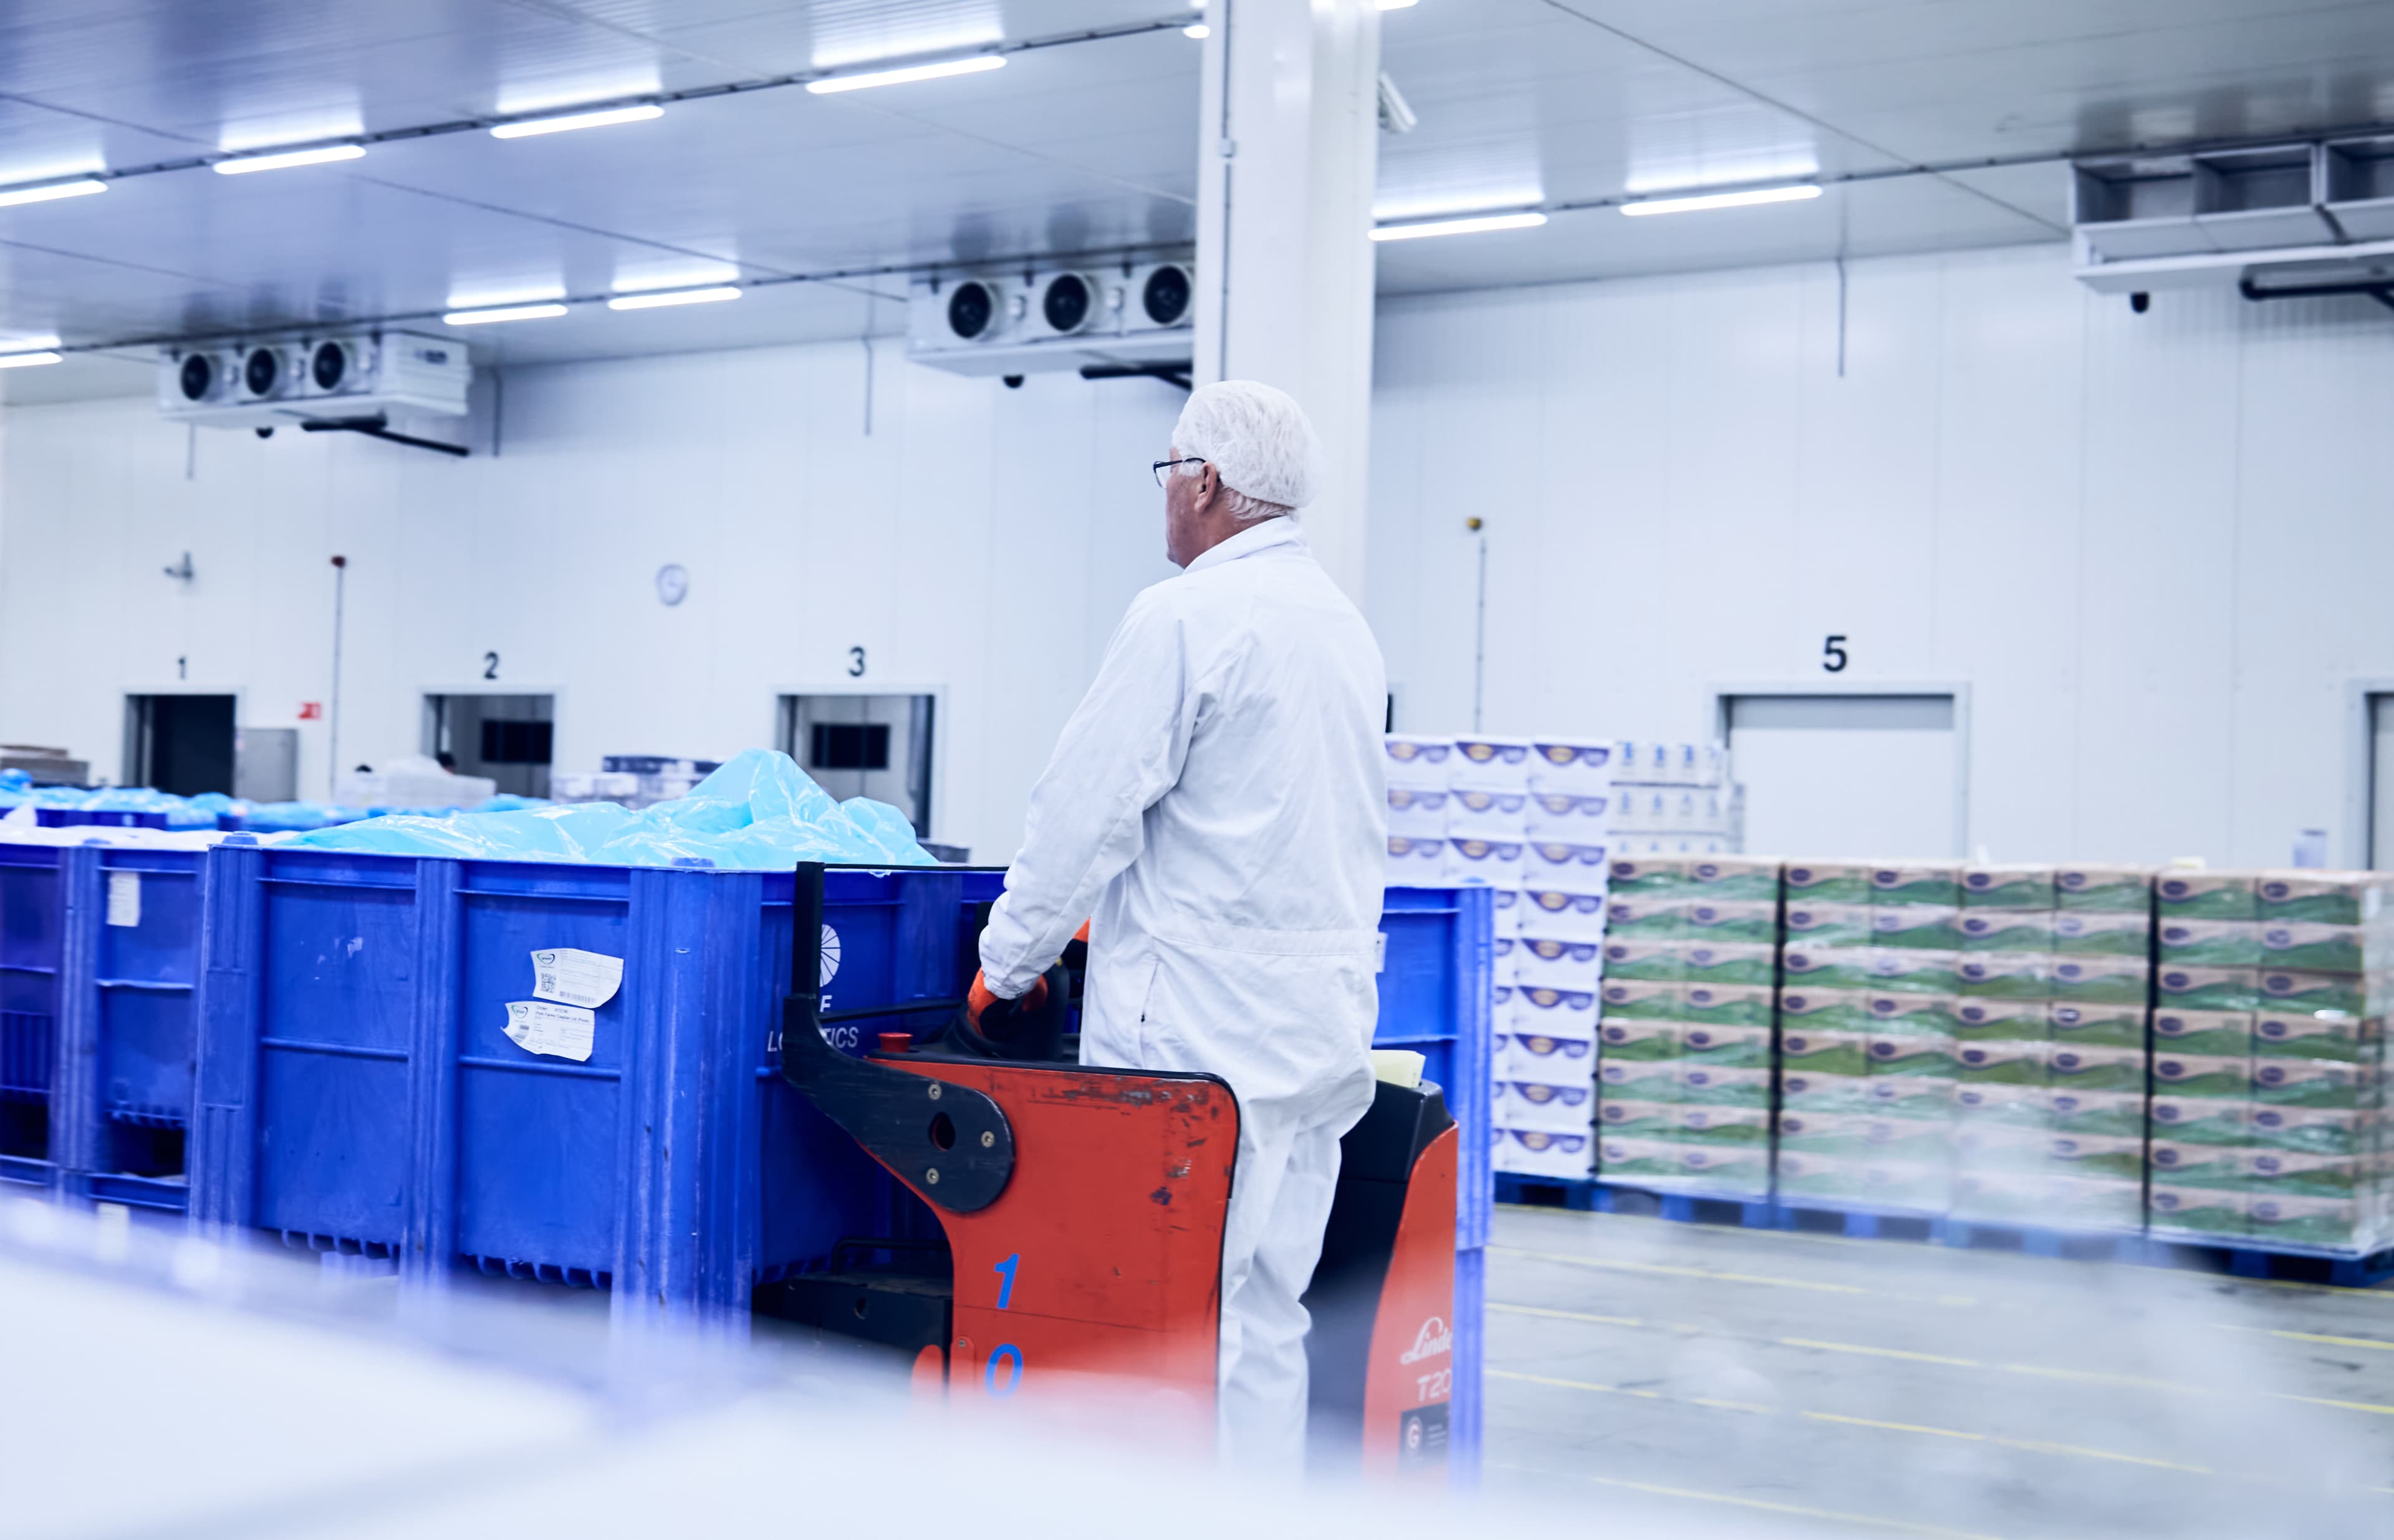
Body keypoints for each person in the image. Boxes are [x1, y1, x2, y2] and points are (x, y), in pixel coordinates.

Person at [970, 380, 1388, 1466]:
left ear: (1206, 483)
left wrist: (1006, 966)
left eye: (1169, 473)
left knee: (1167, 1317)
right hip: (1317, 1034)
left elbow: (1084, 812)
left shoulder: (1186, 615)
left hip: (1200, 1043)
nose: (1165, 497)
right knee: (1264, 1317)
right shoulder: (1344, 629)